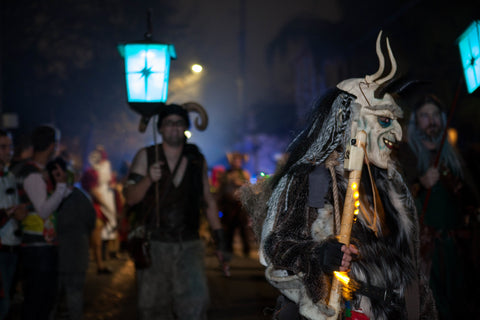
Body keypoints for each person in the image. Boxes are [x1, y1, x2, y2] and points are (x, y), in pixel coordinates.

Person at [240, 33, 437, 320]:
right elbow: (276, 246)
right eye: (384, 120)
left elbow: (413, 270)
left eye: (396, 121)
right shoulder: (311, 177)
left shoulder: (394, 185)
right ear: (352, 120)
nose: (397, 132)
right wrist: (319, 255)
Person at [124, 103, 227, 319]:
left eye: (179, 123)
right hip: (155, 245)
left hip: (189, 244)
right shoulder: (146, 156)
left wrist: (220, 239)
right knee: (153, 309)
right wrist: (148, 179)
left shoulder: (197, 159)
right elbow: (131, 197)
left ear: (186, 128)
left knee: (195, 306)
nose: (174, 128)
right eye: (169, 123)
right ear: (160, 128)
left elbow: (207, 199)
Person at [397, 94, 477, 319]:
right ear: (416, 121)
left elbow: (471, 198)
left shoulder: (453, 155)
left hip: (456, 250)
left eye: (435, 115)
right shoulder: (405, 156)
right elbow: (396, 201)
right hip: (425, 254)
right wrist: (419, 184)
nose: (431, 120)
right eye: (424, 115)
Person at [14, 125, 70, 320]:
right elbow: (44, 210)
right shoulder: (32, 174)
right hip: (37, 246)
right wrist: (61, 187)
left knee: (45, 301)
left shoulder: (41, 171)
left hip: (44, 244)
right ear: (52, 145)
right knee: (38, 302)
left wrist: (63, 187)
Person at [49, 156, 96, 320]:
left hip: (59, 255)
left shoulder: (53, 197)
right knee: (73, 298)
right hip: (76, 254)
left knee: (51, 300)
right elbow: (91, 222)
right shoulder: (83, 197)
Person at [0, 130, 27, 319]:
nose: (8, 151)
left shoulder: (9, 175)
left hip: (13, 248)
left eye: (10, 146)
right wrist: (10, 213)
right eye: (3, 147)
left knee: (7, 300)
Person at [81, 146, 118, 274]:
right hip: (93, 209)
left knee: (96, 239)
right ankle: (98, 265)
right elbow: (93, 191)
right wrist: (107, 207)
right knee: (94, 239)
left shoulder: (95, 173)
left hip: (96, 209)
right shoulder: (91, 173)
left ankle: (99, 265)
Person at [217, 152, 252, 257]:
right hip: (229, 205)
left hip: (240, 205)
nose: (236, 162)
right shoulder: (226, 174)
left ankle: (246, 250)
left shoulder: (245, 174)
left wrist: (242, 186)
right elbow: (221, 189)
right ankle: (228, 250)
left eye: (238, 160)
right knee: (229, 228)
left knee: (243, 229)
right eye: (234, 160)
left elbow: (249, 188)